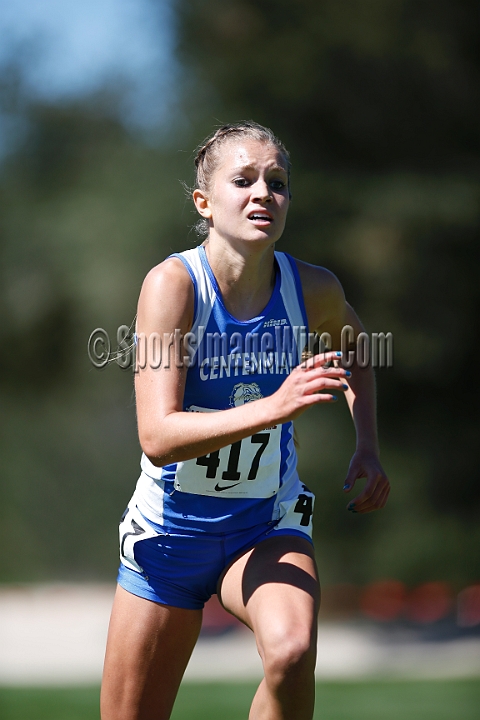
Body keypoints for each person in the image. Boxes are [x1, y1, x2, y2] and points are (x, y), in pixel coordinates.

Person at [100, 121, 389, 720]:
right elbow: (157, 438)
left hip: (266, 522)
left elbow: (361, 350)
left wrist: (368, 444)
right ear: (204, 202)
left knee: (292, 650)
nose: (264, 193)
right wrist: (274, 407)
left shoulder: (314, 291)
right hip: (170, 534)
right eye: (244, 180)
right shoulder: (173, 287)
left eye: (277, 182)